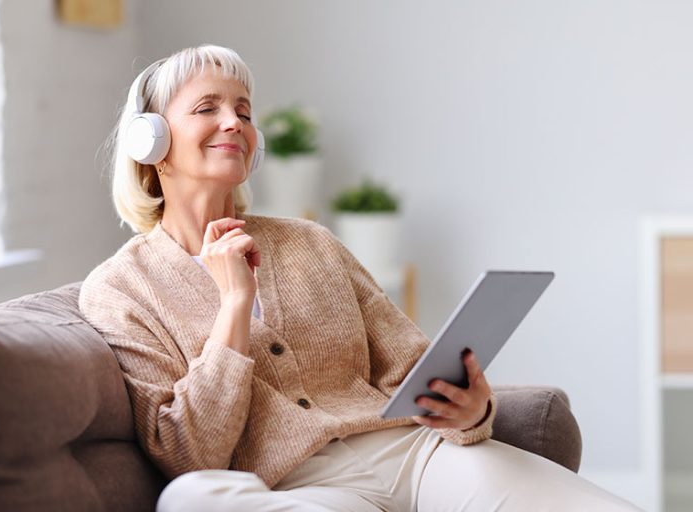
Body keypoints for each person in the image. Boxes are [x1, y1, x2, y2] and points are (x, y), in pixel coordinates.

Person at [79, 44, 640, 511]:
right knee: (194, 498)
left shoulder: (312, 242)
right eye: (208, 107)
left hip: (414, 456)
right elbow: (189, 453)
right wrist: (232, 308)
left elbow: (410, 367)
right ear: (150, 141)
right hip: (301, 489)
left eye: (244, 111)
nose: (235, 123)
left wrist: (471, 411)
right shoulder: (119, 289)